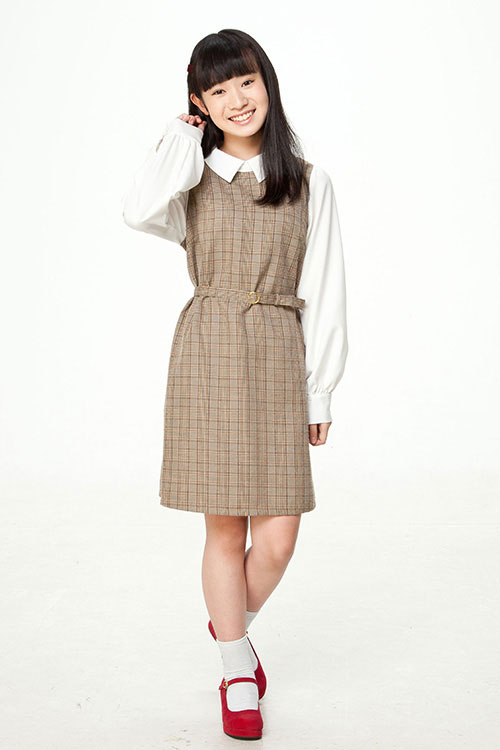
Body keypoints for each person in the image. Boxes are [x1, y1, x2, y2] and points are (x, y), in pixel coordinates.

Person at [121, 28, 348, 741]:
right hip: (210, 351)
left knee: (278, 537)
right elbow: (137, 209)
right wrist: (180, 136)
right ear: (200, 103)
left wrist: (320, 390)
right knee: (223, 527)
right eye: (216, 90)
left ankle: (229, 628)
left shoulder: (308, 181)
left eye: (245, 81)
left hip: (278, 351)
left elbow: (326, 291)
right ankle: (235, 668)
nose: (236, 100)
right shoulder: (190, 177)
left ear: (267, 82)